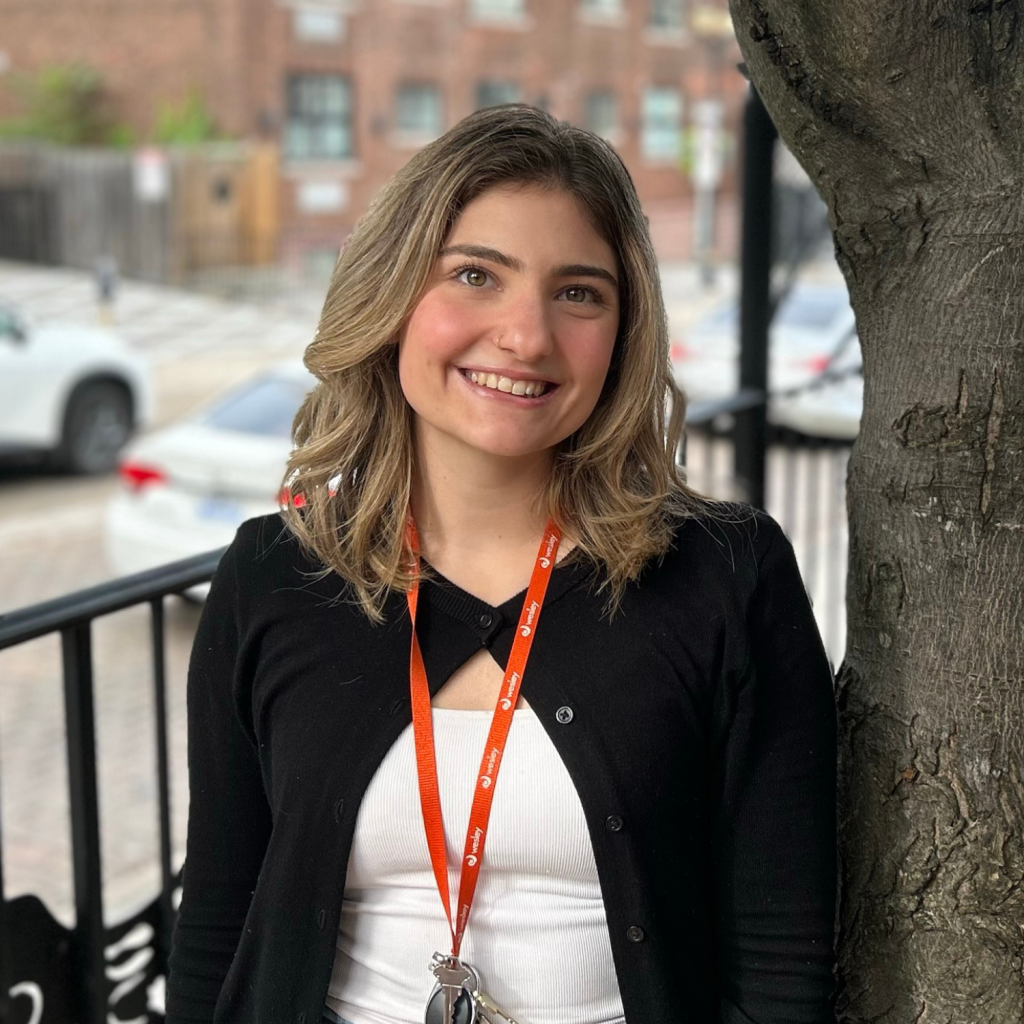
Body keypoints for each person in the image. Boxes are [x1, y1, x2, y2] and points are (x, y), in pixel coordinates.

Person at [165, 104, 837, 1024]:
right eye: (475, 275)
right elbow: (216, 920)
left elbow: (782, 959)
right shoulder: (273, 576)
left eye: (579, 293)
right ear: (391, 296)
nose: (527, 336)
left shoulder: (726, 575)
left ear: (624, 331)